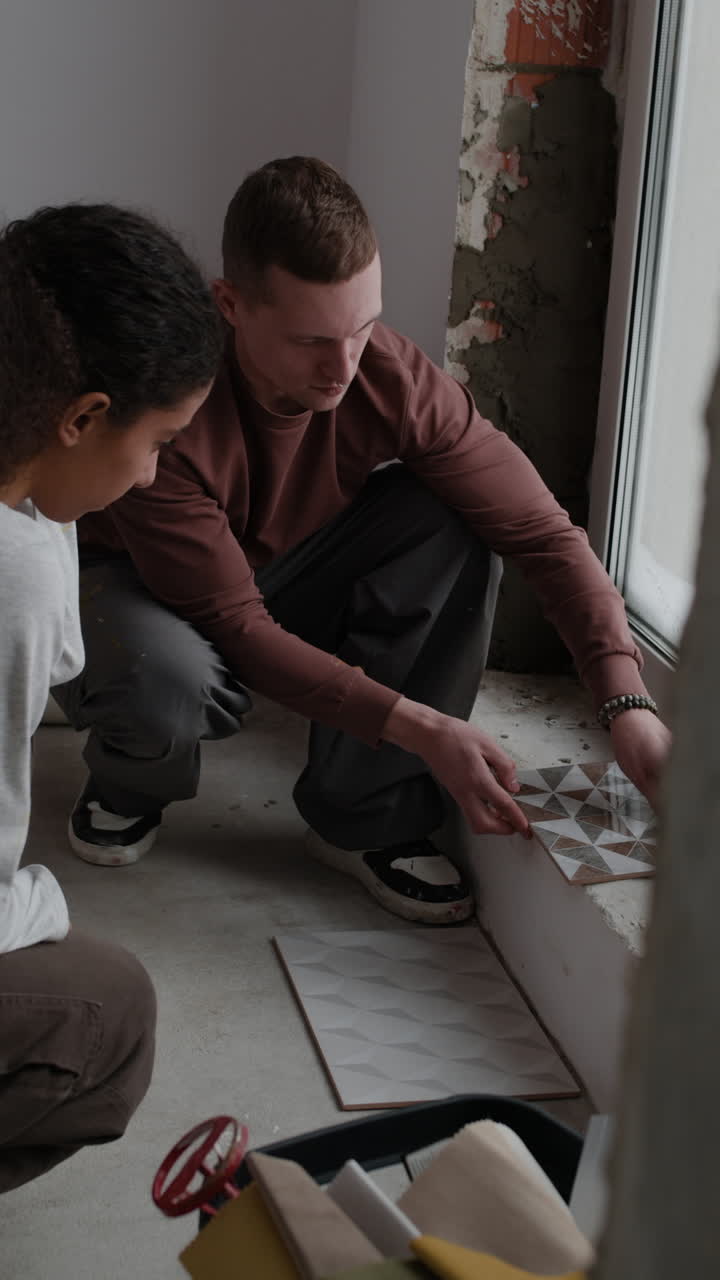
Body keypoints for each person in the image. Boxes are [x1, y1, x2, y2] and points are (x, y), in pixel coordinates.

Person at [61, 158, 671, 926]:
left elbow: (542, 533)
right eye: (313, 339)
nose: (343, 366)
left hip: (279, 572)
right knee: (170, 681)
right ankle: (127, 779)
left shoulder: (387, 375)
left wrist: (626, 700)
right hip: (141, 590)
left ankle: (363, 813)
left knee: (453, 520)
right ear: (231, 306)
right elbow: (237, 627)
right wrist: (424, 726)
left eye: (362, 325)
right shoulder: (175, 402)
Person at [0, 203, 221, 1193]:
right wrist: (37, 901)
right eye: (160, 438)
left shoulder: (31, 501)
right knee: (109, 1013)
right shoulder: (17, 573)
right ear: (83, 415)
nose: (154, 470)